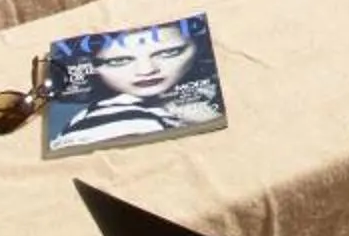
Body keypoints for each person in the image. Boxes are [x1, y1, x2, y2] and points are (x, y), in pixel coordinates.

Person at [45, 16, 219, 151]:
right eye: (118, 61)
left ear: (199, 47)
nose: (146, 71)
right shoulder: (119, 117)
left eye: (169, 52)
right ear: (87, 65)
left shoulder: (207, 92)